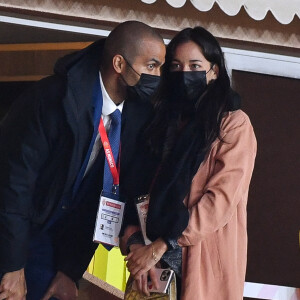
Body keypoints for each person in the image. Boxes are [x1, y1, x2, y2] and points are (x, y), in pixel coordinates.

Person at [0, 21, 165, 300]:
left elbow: (102, 199)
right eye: (151, 65)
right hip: (10, 226)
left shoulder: (138, 119)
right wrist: (13, 266)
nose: (157, 76)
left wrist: (69, 269)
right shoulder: (53, 98)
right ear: (119, 64)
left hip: (51, 238)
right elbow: (14, 183)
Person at [122, 26, 257, 300]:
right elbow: (136, 187)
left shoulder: (233, 124)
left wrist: (162, 245)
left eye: (195, 65)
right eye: (176, 66)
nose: (185, 74)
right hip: (153, 267)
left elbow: (219, 201)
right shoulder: (161, 121)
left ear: (215, 71)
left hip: (203, 263)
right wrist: (138, 246)